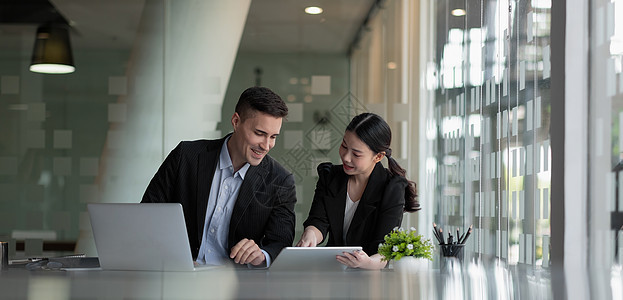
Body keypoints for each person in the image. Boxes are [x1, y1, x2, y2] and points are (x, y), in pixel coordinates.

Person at [141, 86, 297, 267]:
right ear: (236, 121)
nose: (266, 145)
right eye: (259, 134)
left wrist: (261, 255)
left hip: (236, 285)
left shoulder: (280, 180)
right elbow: (148, 213)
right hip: (177, 274)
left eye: (273, 137)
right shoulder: (186, 156)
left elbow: (281, 242)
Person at [296, 112, 420, 269]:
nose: (346, 157)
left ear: (378, 157)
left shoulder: (391, 189)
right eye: (344, 146)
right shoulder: (330, 176)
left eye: (356, 154)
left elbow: (384, 251)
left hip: (370, 275)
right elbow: (319, 221)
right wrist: (311, 234)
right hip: (332, 270)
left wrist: (366, 262)